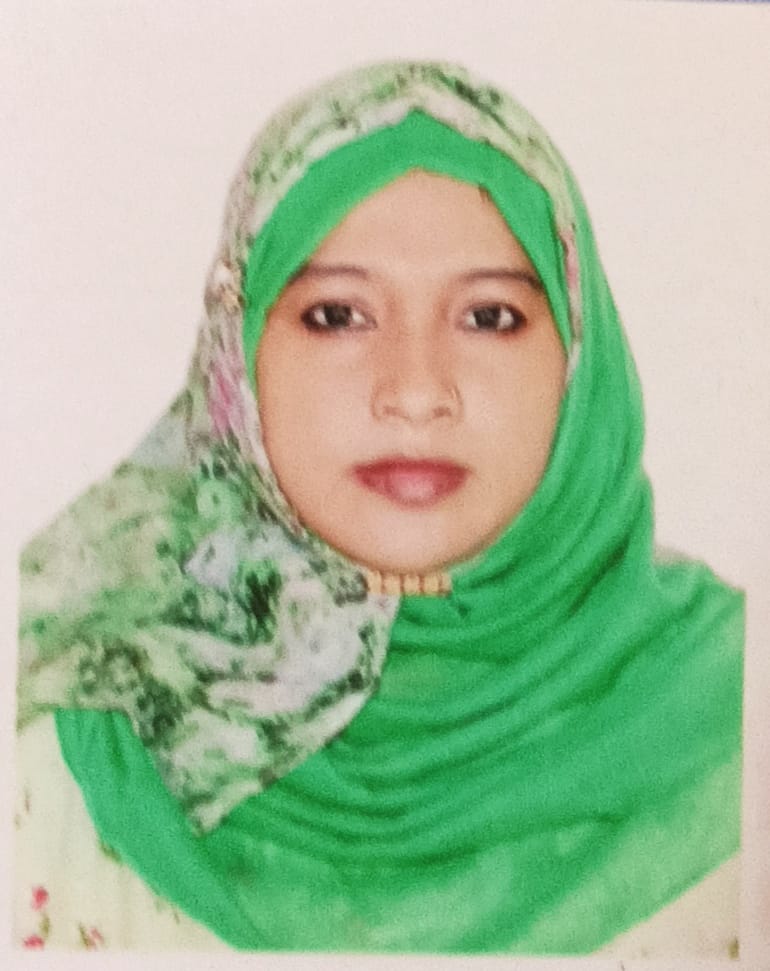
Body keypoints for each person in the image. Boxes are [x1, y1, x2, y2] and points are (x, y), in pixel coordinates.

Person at [14, 61, 742, 955]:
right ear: (236, 358)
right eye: (337, 315)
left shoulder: (739, 711)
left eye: (488, 317)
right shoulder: (59, 747)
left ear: (581, 358)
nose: (415, 391)